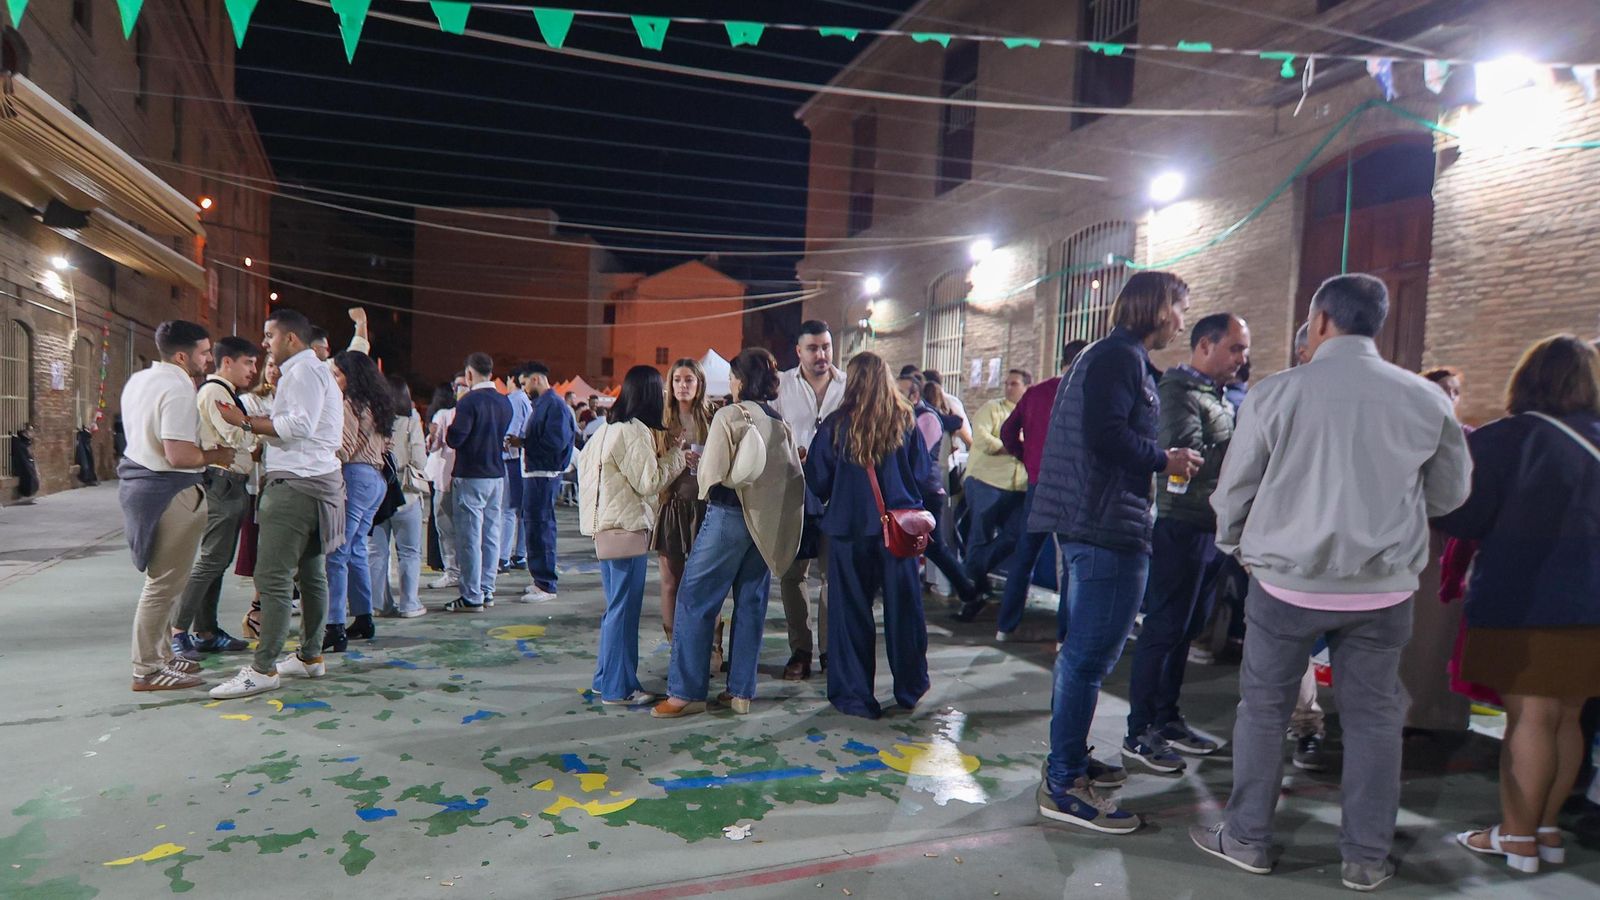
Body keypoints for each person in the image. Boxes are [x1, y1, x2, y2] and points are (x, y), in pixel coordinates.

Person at [1194, 274, 1472, 891]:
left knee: (1264, 711)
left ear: (1320, 322)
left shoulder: (1276, 393)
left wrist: (1237, 546)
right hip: (1383, 590)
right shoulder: (1424, 398)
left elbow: (1235, 488)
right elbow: (1451, 493)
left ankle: (1247, 838)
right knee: (1374, 719)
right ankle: (1366, 857)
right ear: (1377, 322)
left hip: (1285, 584)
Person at [1030, 271, 1201, 835]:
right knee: (1087, 660)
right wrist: (1164, 459)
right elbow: (1105, 435)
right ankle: (1064, 785)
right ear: (1158, 307)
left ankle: (1069, 761)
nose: (1181, 321)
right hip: (1105, 526)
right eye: (1180, 308)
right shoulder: (1119, 358)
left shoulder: (1111, 356)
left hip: (1096, 523)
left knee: (1083, 658)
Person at [1437, 335, 1600, 874]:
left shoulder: (1508, 438)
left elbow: (1466, 517)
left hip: (1526, 596)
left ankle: (1516, 837)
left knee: (1529, 718)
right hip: (1593, 601)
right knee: (1569, 717)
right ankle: (1546, 830)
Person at [1122, 313, 1250, 773]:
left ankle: (1167, 718)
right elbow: (1184, 459)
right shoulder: (1178, 393)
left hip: (1210, 525)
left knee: (1186, 627)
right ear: (1205, 346)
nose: (1242, 358)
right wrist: (1247, 449)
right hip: (1181, 525)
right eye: (1235, 348)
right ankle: (1140, 731)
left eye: (1244, 350)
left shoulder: (1215, 396)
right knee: (1164, 627)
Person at [654, 349, 805, 718]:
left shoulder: (729, 415)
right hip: (764, 523)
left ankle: (685, 693)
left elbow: (711, 474)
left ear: (741, 380)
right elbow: (793, 479)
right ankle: (740, 692)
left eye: (734, 376)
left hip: (727, 516)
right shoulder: (779, 422)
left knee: (694, 598)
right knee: (750, 603)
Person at [210, 308, 347, 699]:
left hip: (296, 486)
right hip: (319, 482)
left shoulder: (302, 372)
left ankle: (263, 667)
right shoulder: (316, 371)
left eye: (269, 336)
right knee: (311, 574)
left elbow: (298, 426)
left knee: (272, 578)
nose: (265, 344)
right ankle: (309, 656)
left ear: (291, 338)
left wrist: (244, 421)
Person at [804, 352, 931, 720]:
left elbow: (818, 480)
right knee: (904, 612)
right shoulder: (905, 420)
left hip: (849, 530)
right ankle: (909, 688)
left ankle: (856, 695)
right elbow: (921, 474)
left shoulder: (836, 425)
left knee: (850, 615)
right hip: (899, 532)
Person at [118, 321, 232, 691]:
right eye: (204, 352)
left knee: (168, 582)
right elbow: (179, 454)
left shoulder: (140, 379)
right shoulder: (179, 387)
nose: (209, 359)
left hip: (144, 485)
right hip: (169, 489)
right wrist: (218, 455)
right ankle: (147, 669)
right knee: (163, 584)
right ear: (182, 356)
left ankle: (162, 656)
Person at [578, 365, 685, 705]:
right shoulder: (633, 431)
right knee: (623, 612)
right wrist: (678, 457)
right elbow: (649, 482)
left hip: (604, 529)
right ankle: (619, 688)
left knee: (614, 609)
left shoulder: (605, 430)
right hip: (626, 529)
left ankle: (605, 678)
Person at [172, 336, 260, 660]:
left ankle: (207, 631)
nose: (253, 370)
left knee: (219, 562)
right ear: (228, 362)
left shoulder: (227, 393)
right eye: (248, 363)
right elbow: (235, 437)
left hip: (233, 484)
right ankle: (177, 632)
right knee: (210, 561)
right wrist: (258, 430)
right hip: (221, 484)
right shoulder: (214, 392)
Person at [995, 339, 1089, 641]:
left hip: (1038, 484)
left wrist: (1026, 457)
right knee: (1070, 564)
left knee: (1025, 557)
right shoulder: (1087, 393)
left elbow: (1007, 432)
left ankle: (1005, 627)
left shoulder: (1035, 393)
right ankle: (1065, 635)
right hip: (1072, 487)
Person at [773, 320, 847, 681]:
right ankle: (800, 650)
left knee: (833, 576)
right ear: (798, 351)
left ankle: (830, 652)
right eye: (813, 348)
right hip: (794, 490)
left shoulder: (847, 385)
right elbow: (769, 433)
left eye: (826, 346)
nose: (822, 354)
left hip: (838, 493)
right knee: (793, 574)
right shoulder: (781, 385)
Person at [323, 351, 395, 650]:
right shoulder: (380, 404)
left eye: (337, 374)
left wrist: (323, 455)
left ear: (350, 377)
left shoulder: (350, 403)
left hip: (355, 475)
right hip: (377, 479)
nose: (334, 379)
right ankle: (364, 617)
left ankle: (335, 625)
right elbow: (388, 445)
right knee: (355, 550)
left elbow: (345, 445)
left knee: (337, 553)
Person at [952, 369, 1030, 618]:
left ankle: (972, 572)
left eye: (1014, 384)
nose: (1008, 387)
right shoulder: (992, 409)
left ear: (1026, 387)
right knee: (980, 535)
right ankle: (972, 597)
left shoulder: (1031, 413)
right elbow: (983, 439)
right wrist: (1015, 446)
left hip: (1019, 487)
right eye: (1006, 383)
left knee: (1016, 535)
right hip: (987, 482)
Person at [897, 371, 978, 607]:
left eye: (900, 392)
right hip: (916, 491)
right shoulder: (908, 417)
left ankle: (969, 590)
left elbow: (915, 458)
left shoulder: (927, 418)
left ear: (914, 396)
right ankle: (968, 591)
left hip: (927, 493)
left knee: (935, 546)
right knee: (930, 548)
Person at [444, 353, 513, 613]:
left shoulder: (469, 401)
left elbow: (456, 438)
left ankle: (472, 595)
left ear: (469, 374)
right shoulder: (504, 402)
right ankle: (487, 589)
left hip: (471, 474)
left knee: (470, 537)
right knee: (491, 535)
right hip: (496, 474)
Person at [652, 358, 713, 639]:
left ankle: (709, 644)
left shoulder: (712, 418)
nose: (682, 385)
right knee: (670, 581)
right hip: (671, 505)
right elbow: (651, 465)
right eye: (677, 380)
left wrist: (707, 460)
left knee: (705, 581)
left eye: (689, 380)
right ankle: (675, 643)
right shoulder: (662, 421)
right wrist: (676, 457)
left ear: (699, 384)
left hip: (705, 505)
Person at [516, 361, 574, 603]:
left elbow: (555, 443)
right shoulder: (544, 404)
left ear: (536, 379)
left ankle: (546, 584)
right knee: (534, 528)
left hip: (544, 474)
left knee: (541, 528)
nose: (524, 389)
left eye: (524, 383)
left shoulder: (554, 405)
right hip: (537, 474)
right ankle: (540, 579)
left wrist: (525, 443)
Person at [372, 375, 428, 619]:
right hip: (406, 494)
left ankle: (380, 604)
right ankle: (409, 604)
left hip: (376, 493)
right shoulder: (411, 422)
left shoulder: (371, 420)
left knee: (376, 552)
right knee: (409, 552)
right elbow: (420, 460)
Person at [236, 356, 279, 640]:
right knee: (262, 554)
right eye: (271, 365)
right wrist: (263, 434)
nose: (275, 371)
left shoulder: (296, 400)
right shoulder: (251, 401)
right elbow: (244, 442)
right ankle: (256, 612)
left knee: (280, 556)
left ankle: (262, 611)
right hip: (258, 485)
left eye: (281, 366)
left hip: (286, 484)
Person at [500, 365, 532, 574]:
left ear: (511, 379)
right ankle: (520, 555)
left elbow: (510, 434)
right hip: (522, 459)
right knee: (520, 511)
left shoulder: (514, 400)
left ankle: (502, 557)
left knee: (508, 510)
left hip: (511, 459)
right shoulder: (526, 400)